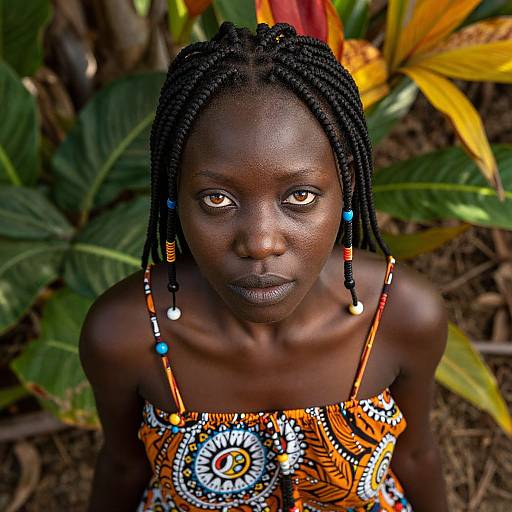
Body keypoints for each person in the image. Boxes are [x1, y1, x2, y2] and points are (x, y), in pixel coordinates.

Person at [79, 21, 449, 512]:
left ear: (347, 184)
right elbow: (123, 466)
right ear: (174, 194)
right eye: (217, 198)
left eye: (299, 196)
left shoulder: (401, 316)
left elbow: (418, 455)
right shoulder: (125, 335)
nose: (260, 243)